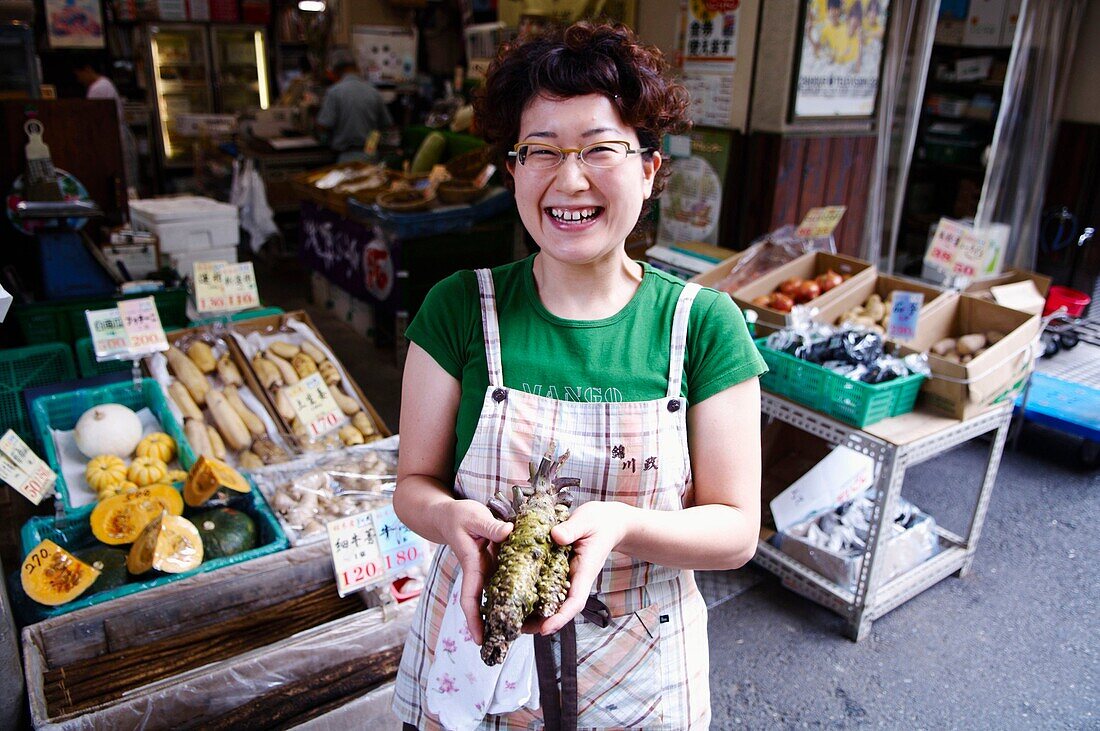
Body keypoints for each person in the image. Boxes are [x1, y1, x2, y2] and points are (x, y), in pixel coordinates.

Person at [392, 21, 765, 730]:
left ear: (651, 168)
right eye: (541, 151)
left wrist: (620, 522)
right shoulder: (457, 310)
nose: (569, 179)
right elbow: (413, 486)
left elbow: (736, 530)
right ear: (512, 168)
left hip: (643, 668)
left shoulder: (704, 325)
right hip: (478, 647)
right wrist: (449, 516)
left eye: (600, 148)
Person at [315, 49, 393, 163]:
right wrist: (370, 146)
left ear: (336, 72)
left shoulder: (335, 92)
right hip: (370, 157)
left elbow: (323, 125)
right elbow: (385, 125)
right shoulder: (373, 91)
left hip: (346, 159)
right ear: (356, 68)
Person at [74, 60, 139, 197]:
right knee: (127, 182)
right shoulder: (105, 83)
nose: (80, 80)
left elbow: (95, 120)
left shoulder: (98, 88)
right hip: (116, 136)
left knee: (124, 183)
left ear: (87, 69)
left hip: (112, 137)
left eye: (79, 75)